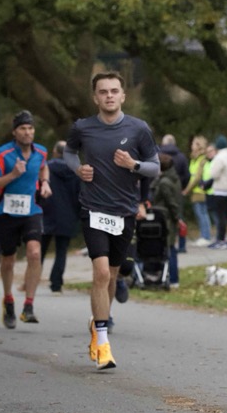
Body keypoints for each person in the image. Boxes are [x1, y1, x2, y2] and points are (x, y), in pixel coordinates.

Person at [64, 72, 159, 370]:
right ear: (95, 97)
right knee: (101, 272)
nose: (109, 96)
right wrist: (78, 169)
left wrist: (133, 164)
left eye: (114, 91)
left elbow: (155, 167)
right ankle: (103, 343)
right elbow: (69, 152)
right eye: (103, 91)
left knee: (113, 275)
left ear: (123, 96)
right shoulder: (83, 128)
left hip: (124, 211)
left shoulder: (138, 129)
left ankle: (98, 324)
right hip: (93, 209)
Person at [0, 111, 51, 329]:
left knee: (35, 253)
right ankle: (8, 300)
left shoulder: (40, 151)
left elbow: (44, 166)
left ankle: (28, 306)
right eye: (23, 128)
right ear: (14, 132)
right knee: (8, 260)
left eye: (30, 128)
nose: (27, 132)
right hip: (7, 212)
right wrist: (12, 175)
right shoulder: (2, 154)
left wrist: (45, 182)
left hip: (32, 210)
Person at [41, 140, 81, 293]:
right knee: (61, 251)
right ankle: (56, 284)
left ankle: (31, 280)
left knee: (40, 250)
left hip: (47, 213)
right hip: (68, 215)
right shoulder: (76, 171)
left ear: (55, 152)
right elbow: (80, 194)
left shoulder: (46, 168)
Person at [150, 153, 184, 288]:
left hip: (166, 219)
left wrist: (177, 218)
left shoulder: (164, 183)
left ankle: (173, 278)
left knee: (169, 249)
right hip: (170, 218)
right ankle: (169, 276)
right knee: (170, 248)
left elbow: (171, 202)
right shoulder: (173, 178)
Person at [184, 134, 212, 246]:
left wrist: (187, 189)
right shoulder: (194, 159)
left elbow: (197, 178)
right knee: (200, 214)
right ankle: (204, 236)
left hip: (200, 191)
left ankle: (206, 236)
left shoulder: (202, 160)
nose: (191, 145)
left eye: (194, 143)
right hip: (195, 191)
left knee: (202, 214)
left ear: (199, 145)